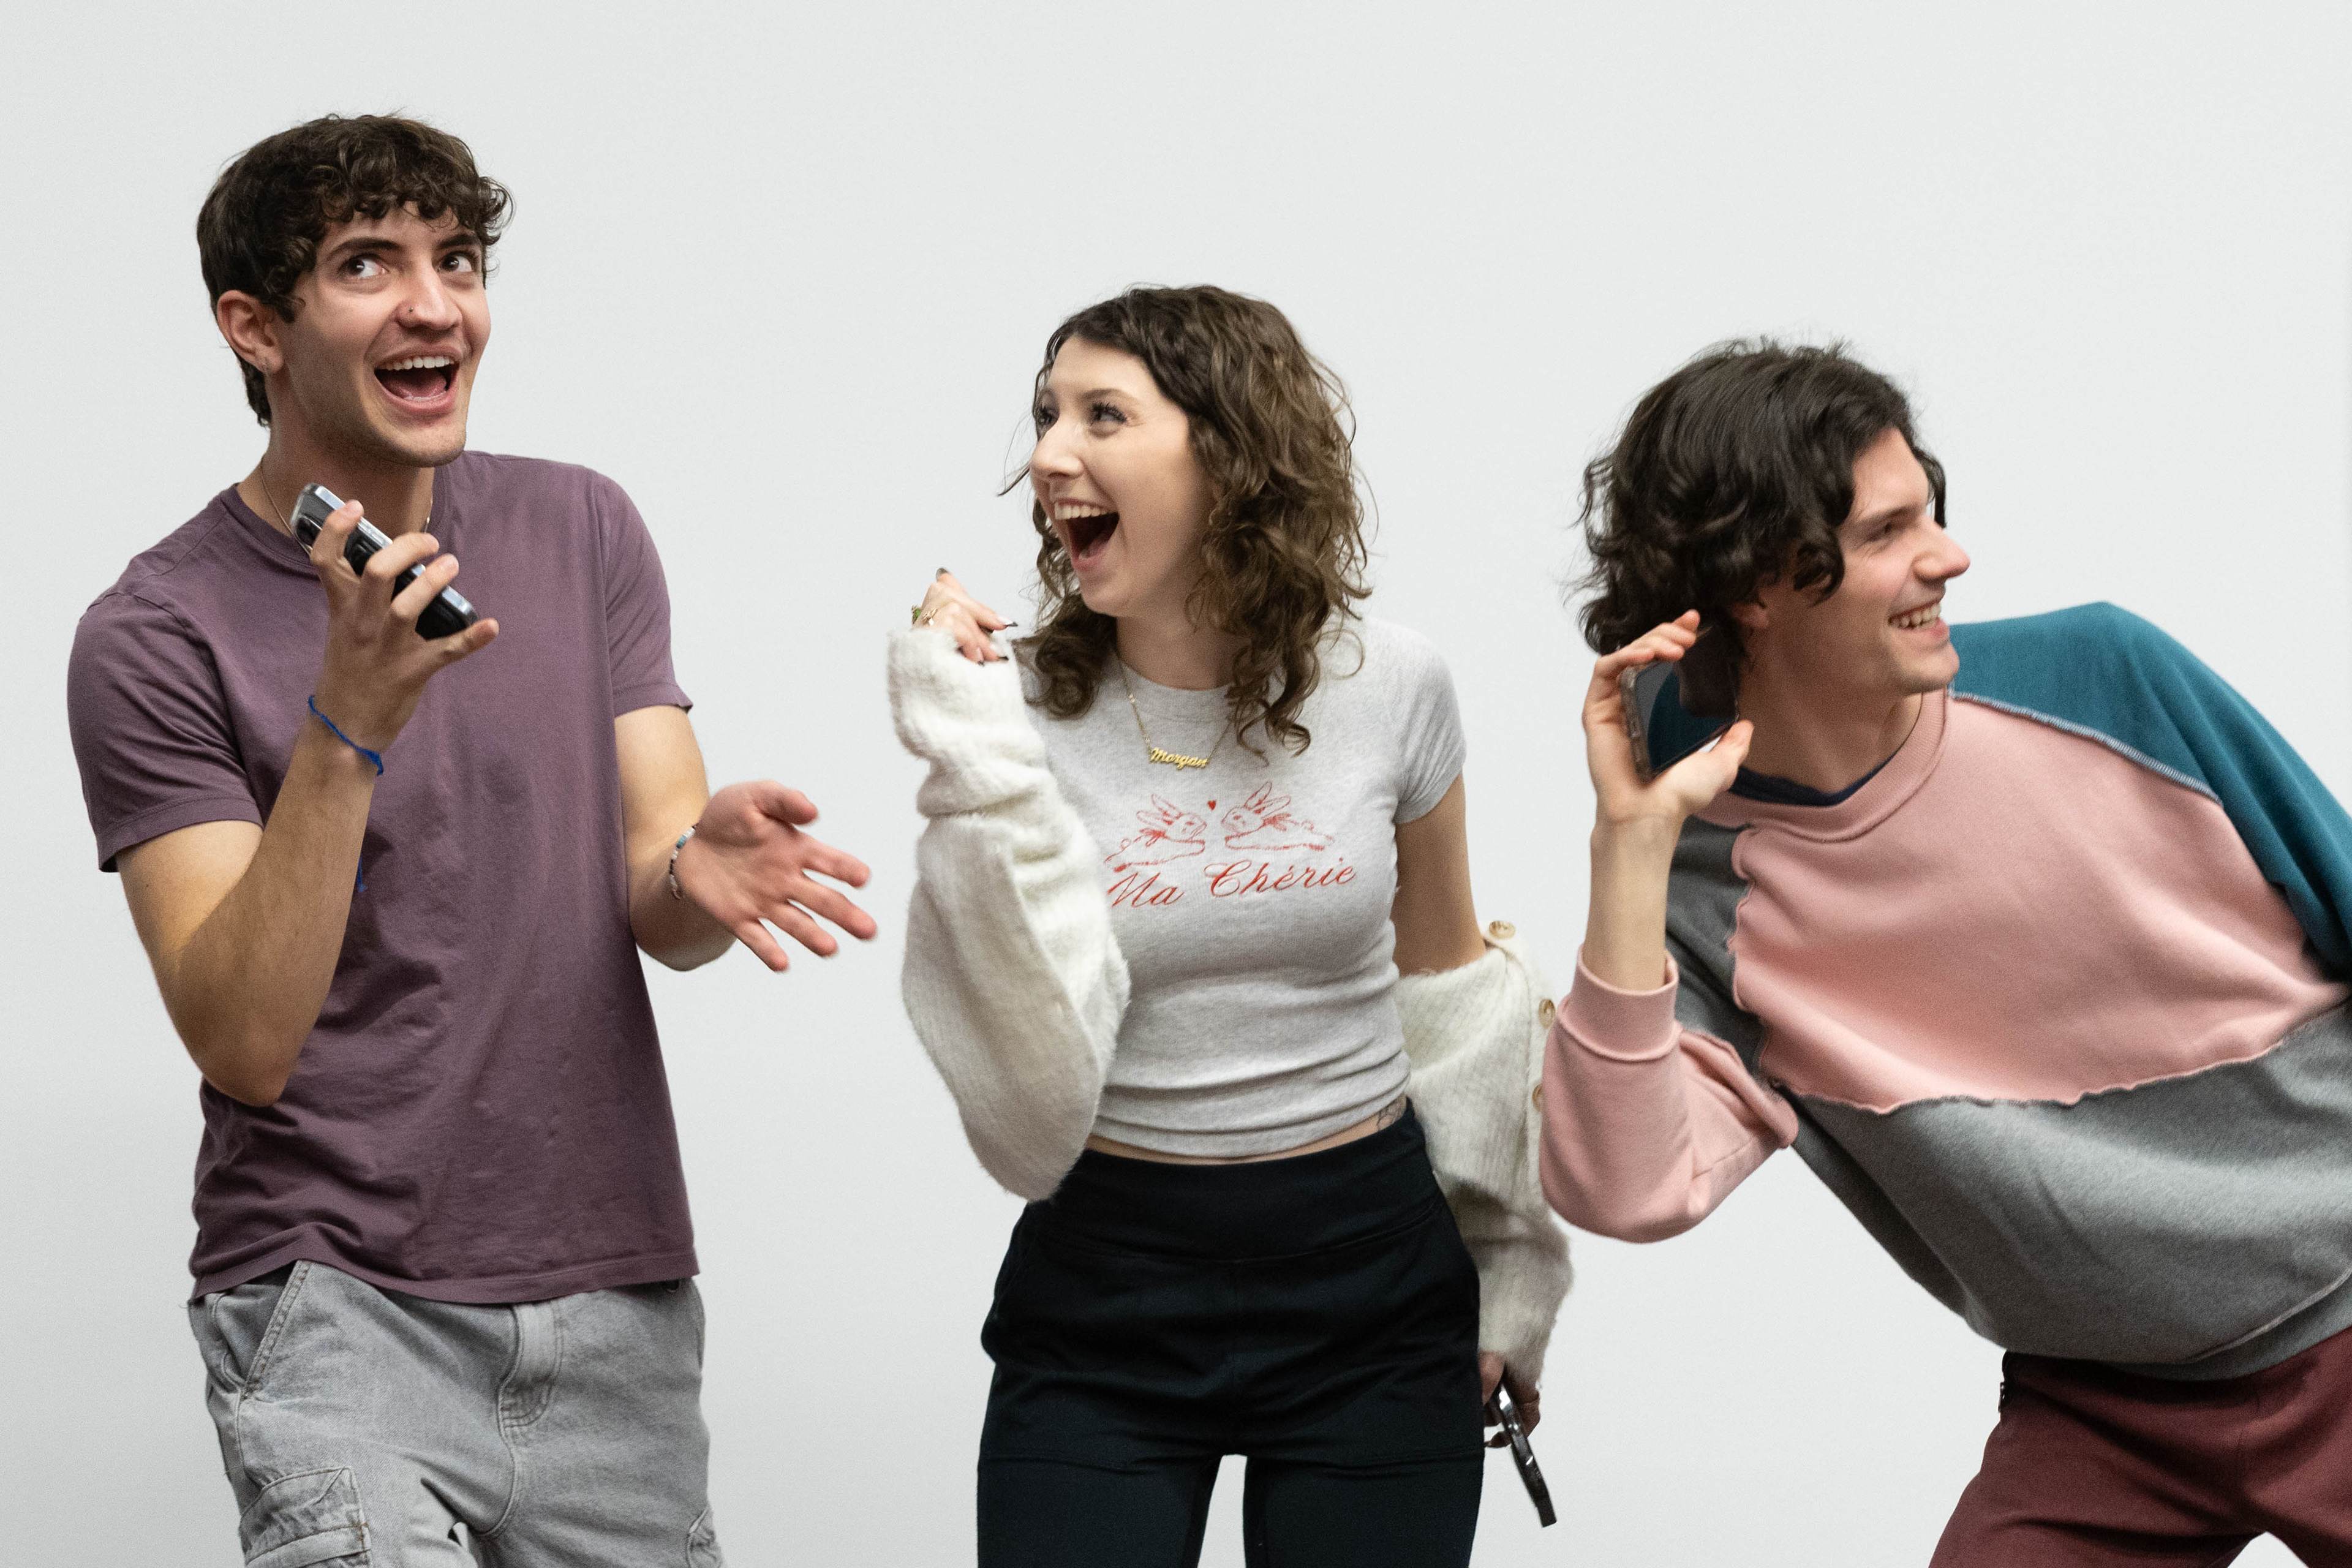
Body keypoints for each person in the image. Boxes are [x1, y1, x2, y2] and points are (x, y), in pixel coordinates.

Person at [65, 114, 875, 1567]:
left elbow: (655, 878)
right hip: (333, 1301)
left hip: (614, 1291)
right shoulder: (153, 632)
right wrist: (349, 719)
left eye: (459, 260)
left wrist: (705, 869)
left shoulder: (582, 525)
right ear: (255, 327)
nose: (434, 303)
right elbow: (245, 1038)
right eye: (368, 265)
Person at [1544, 339, 2352, 1562]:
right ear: (1759, 582)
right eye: (1888, 532)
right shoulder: (1695, 864)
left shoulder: (2106, 682)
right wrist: (1627, 854)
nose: (1948, 557)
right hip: (2103, 1406)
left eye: (1931, 510)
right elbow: (1625, 1188)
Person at [889, 285, 1569, 1567]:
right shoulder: (1007, 704)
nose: (1047, 454)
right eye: (1044, 415)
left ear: (1232, 456)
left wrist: (1510, 1266)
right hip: (1106, 1283)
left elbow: (1456, 989)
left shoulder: (1396, 682)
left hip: (1371, 1279)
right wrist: (958, 729)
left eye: (1102, 414)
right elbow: (1008, 1070)